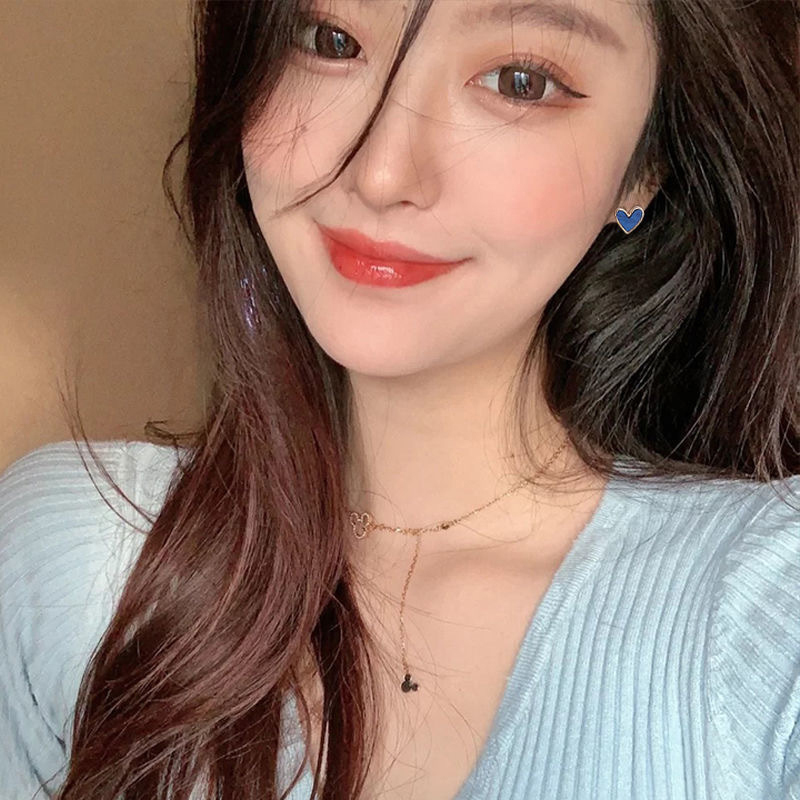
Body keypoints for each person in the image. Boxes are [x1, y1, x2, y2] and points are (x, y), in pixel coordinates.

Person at [1, 0, 799, 798]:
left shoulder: (763, 610)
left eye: (519, 81)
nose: (382, 173)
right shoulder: (77, 561)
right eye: (331, 40)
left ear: (646, 166)